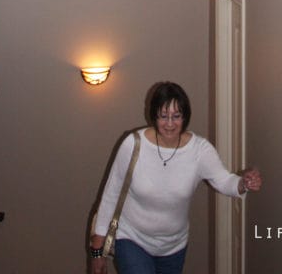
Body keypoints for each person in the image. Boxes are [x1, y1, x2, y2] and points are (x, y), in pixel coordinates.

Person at [88, 81, 262, 274]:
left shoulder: (199, 150)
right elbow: (111, 195)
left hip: (174, 247)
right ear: (154, 115)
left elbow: (224, 181)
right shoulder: (133, 145)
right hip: (131, 239)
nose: (170, 123)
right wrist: (97, 251)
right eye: (163, 116)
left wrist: (243, 183)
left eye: (176, 116)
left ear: (185, 116)